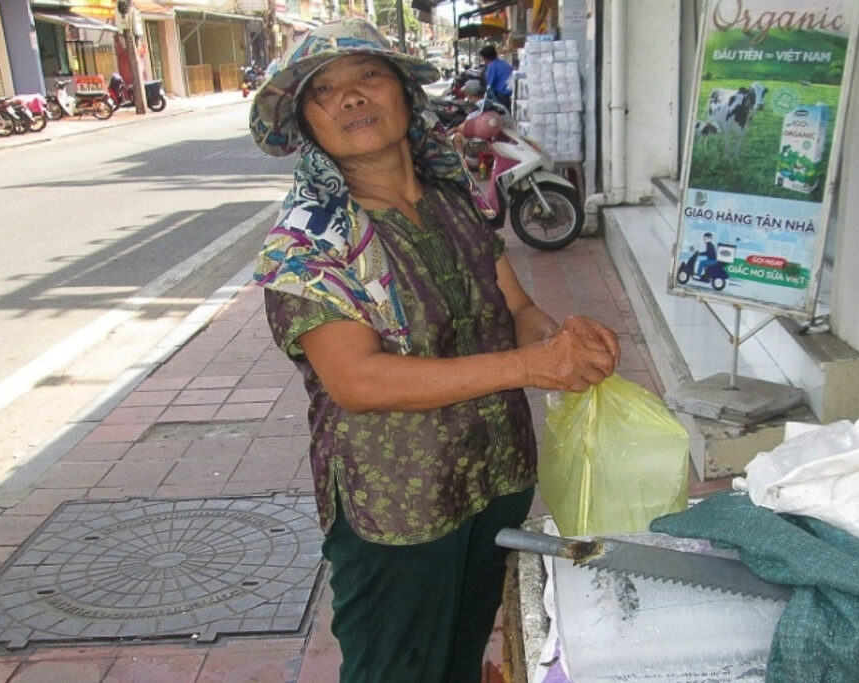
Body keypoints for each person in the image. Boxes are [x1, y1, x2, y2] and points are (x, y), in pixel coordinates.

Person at [249, 18, 619, 683]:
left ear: (403, 94)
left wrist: (561, 343)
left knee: (460, 654)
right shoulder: (308, 241)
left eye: (369, 75)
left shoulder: (454, 197)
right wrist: (532, 365)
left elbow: (515, 307)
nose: (351, 97)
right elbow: (357, 380)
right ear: (307, 125)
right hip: (397, 509)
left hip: (493, 476)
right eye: (324, 90)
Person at [478, 44, 513, 109]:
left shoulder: (492, 66)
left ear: (485, 57)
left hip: (503, 94)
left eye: (482, 57)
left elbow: (489, 85)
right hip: (510, 92)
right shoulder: (502, 63)